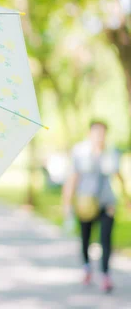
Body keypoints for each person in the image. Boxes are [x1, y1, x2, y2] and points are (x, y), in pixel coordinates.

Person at [62, 120, 131, 293]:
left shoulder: (111, 152)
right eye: (96, 132)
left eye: (102, 133)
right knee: (86, 238)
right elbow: (73, 179)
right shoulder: (80, 152)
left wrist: (126, 197)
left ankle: (105, 275)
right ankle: (87, 267)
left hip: (107, 202)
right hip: (85, 203)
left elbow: (118, 175)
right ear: (89, 133)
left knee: (106, 239)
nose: (99, 136)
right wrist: (67, 205)